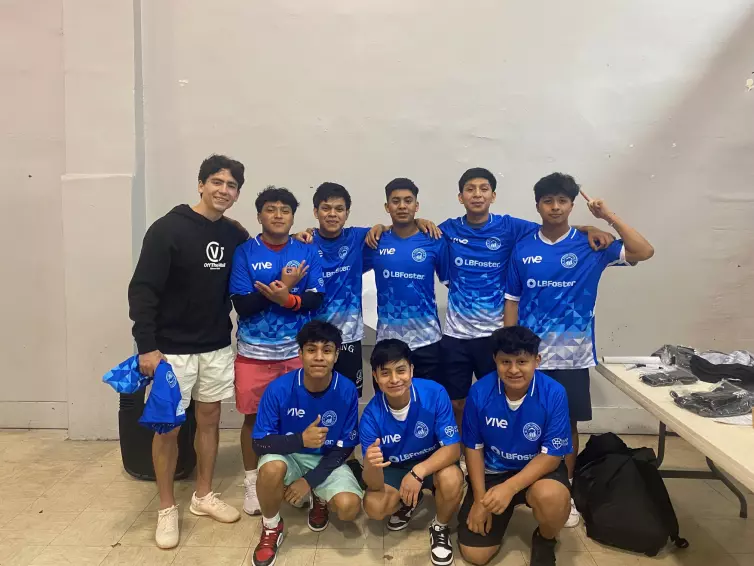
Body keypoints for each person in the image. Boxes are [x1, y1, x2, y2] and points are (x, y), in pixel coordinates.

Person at [503, 172, 654, 526]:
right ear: (537, 205)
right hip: (528, 359)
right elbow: (512, 299)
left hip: (571, 356)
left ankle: (564, 490)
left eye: (562, 201)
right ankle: (522, 485)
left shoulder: (593, 245)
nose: (555, 207)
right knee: (524, 420)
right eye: (548, 201)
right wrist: (507, 351)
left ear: (572, 205)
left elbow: (643, 251)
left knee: (565, 423)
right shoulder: (524, 247)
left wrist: (606, 218)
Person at [128, 154, 247, 549]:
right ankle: (166, 507)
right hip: (171, 351)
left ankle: (203, 495)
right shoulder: (167, 230)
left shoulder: (234, 235)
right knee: (169, 428)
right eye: (216, 182)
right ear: (200, 185)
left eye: (231, 186)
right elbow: (143, 290)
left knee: (209, 420)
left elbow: (264, 249)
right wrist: (147, 346)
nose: (223, 190)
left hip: (215, 345)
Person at [436, 167, 614, 431]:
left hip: (494, 335)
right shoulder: (447, 230)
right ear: (460, 197)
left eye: (483, 189)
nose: (477, 194)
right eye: (470, 189)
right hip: (456, 336)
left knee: (496, 401)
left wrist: (588, 228)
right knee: (456, 404)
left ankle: (493, 451)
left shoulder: (511, 227)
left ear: (493, 196)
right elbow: (416, 234)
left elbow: (553, 227)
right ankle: (461, 456)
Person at [229, 186, 325, 516]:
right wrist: (282, 289)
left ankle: (303, 478)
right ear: (259, 216)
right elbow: (242, 305)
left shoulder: (306, 251)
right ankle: (252, 481)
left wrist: (285, 298)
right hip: (253, 353)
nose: (278, 215)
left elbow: (315, 299)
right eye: (271, 209)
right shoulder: (245, 252)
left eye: (285, 210)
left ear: (293, 217)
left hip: (296, 353)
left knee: (300, 417)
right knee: (254, 419)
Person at [296, 181, 442, 396]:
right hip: (312, 337)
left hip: (350, 338)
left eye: (339, 209)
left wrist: (415, 222)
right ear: (315, 212)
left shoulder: (360, 239)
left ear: (347, 213)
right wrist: (295, 235)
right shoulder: (303, 244)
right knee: (309, 399)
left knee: (349, 401)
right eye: (326, 208)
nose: (332, 214)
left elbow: (395, 230)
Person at [458, 326, 572, 566]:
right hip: (493, 472)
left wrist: (509, 489)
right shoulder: (480, 392)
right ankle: (497, 509)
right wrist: (481, 501)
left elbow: (552, 456)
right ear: (495, 361)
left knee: (553, 498)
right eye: (505, 362)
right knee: (475, 556)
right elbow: (473, 448)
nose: (513, 369)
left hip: (537, 471)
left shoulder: (554, 393)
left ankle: (545, 538)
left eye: (522, 361)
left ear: (536, 360)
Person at [250, 320, 362, 566]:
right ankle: (271, 526)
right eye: (311, 350)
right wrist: (300, 439)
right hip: (289, 454)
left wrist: (308, 481)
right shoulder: (279, 389)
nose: (319, 357)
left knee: (349, 507)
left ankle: (318, 496)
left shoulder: (347, 390)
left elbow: (345, 447)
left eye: (327, 350)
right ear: (300, 354)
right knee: (270, 469)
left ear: (336, 354)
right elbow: (259, 444)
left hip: (326, 459)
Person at [360, 339, 464, 566]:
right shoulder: (370, 416)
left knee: (452, 478)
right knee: (374, 506)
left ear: (412, 370)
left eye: (401, 370)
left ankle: (440, 526)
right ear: (376, 378)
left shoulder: (434, 393)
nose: (395, 379)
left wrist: (418, 472)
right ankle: (408, 503)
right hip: (396, 468)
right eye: (385, 373)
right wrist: (370, 465)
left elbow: (454, 448)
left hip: (432, 463)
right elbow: (373, 483)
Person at [363, 178, 449, 379]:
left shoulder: (434, 240)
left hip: (427, 340)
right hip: (388, 342)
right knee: (389, 404)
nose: (402, 206)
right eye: (395, 201)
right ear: (387, 206)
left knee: (427, 402)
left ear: (416, 206)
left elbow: (450, 281)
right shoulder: (375, 241)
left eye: (408, 200)